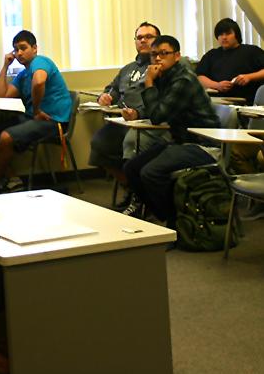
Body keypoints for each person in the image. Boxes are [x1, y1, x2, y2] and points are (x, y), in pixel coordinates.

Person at [123, 36, 220, 228]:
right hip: (181, 141)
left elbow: (158, 116)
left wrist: (149, 82)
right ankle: (166, 215)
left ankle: (175, 223)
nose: (158, 59)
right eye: (154, 54)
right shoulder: (166, 77)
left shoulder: (183, 80)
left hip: (203, 144)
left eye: (163, 54)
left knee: (151, 172)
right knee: (132, 168)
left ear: (177, 56)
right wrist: (137, 112)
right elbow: (155, 108)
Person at [0, 30, 71, 195]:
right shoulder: (23, 74)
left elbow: (39, 82)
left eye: (23, 48)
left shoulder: (40, 62)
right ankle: (12, 178)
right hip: (32, 118)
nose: (19, 53)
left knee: (6, 137)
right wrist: (5, 66)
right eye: (16, 50)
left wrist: (36, 110)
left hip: (53, 121)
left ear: (34, 48)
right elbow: (1, 97)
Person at [89, 22, 170, 208]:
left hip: (151, 122)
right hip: (124, 121)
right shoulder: (128, 69)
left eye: (148, 37)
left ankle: (140, 198)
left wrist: (138, 113)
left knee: (132, 142)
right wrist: (106, 96)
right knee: (99, 143)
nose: (143, 40)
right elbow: (112, 88)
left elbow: (161, 100)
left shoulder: (161, 67)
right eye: (139, 37)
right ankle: (134, 189)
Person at [196, 17, 264, 105]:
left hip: (245, 101)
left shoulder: (252, 51)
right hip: (216, 101)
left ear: (236, 34)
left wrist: (249, 77)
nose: (224, 37)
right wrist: (217, 85)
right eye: (220, 34)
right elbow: (200, 77)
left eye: (228, 34)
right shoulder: (212, 54)